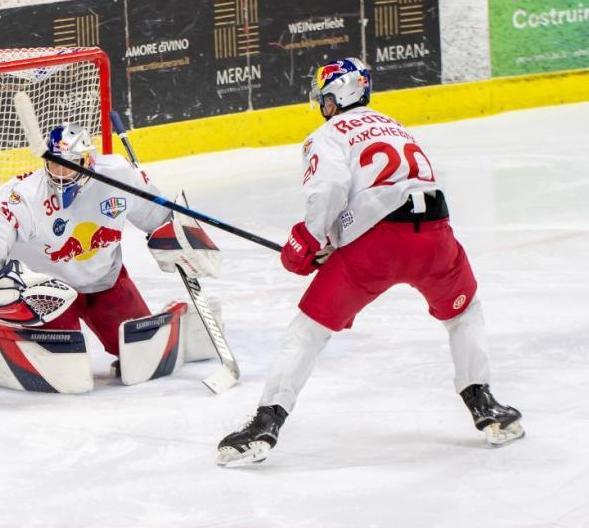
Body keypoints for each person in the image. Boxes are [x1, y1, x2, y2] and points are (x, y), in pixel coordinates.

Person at [216, 58, 524, 467]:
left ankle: (266, 422)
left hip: (375, 250)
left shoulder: (326, 134)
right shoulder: (394, 125)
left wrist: (309, 241)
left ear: (335, 96)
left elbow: (330, 189)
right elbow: (401, 184)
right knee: (465, 312)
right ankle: (483, 402)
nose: (322, 106)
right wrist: (328, 242)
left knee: (307, 332)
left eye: (324, 98)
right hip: (436, 237)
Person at [0, 123, 221, 392]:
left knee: (141, 353)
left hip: (106, 281)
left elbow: (156, 212)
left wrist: (176, 234)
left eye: (71, 163)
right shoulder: (27, 194)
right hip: (49, 296)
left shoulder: (118, 175)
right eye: (55, 164)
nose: (62, 173)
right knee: (60, 367)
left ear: (88, 159)